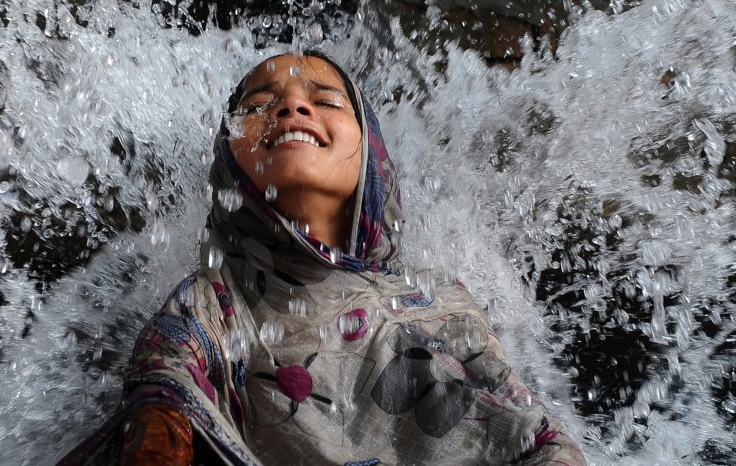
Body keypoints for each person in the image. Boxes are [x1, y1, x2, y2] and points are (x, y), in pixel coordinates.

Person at [55, 52, 587, 466]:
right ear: (227, 161)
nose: (290, 107)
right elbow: (164, 387)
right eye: (258, 103)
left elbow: (530, 432)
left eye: (327, 101)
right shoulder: (218, 300)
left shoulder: (437, 299)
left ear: (371, 157)